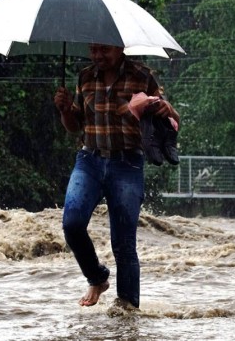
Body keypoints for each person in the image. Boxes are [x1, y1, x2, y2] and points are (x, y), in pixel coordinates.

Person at [54, 43, 180, 308]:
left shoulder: (142, 76)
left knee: (123, 242)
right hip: (89, 159)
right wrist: (65, 110)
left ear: (120, 48)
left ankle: (127, 309)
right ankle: (97, 278)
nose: (98, 56)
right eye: (93, 50)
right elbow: (75, 126)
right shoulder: (85, 76)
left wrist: (164, 109)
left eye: (104, 51)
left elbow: (170, 117)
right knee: (72, 224)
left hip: (127, 163)